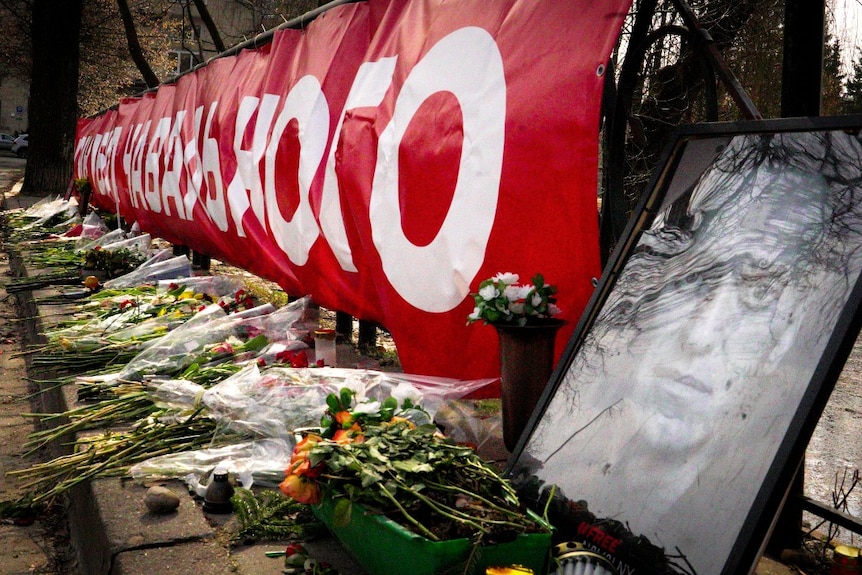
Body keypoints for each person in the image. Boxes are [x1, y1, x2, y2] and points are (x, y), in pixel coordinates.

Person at [513, 128, 862, 574]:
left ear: (786, 339)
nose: (700, 337)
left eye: (759, 291)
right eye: (694, 278)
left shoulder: (722, 521)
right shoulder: (568, 468)